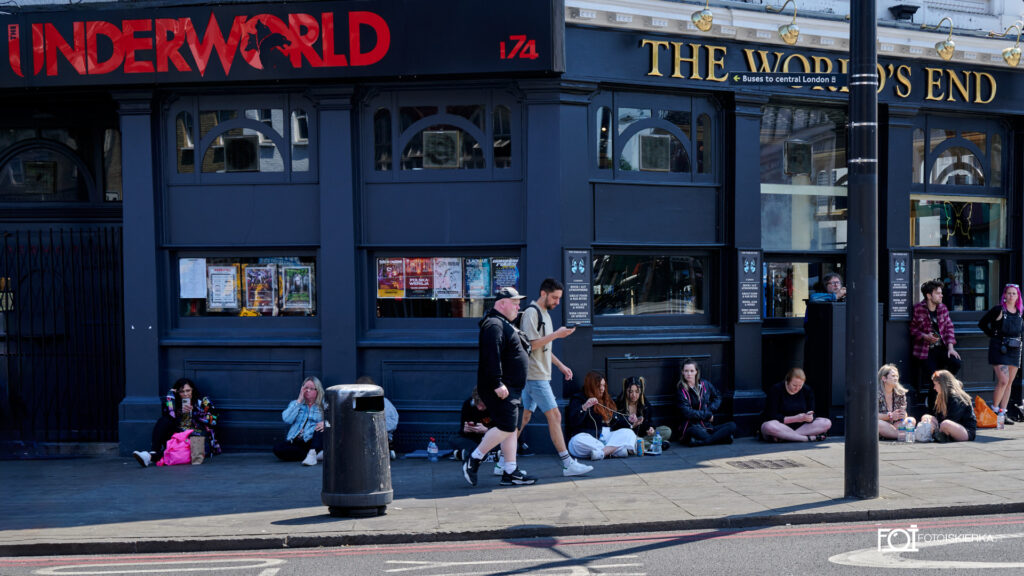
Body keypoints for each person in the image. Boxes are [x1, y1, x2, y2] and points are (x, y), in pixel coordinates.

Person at [517, 278, 592, 477]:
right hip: (535, 376)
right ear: (543, 293)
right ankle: (568, 463)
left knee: (523, 418)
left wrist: (561, 366)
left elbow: (543, 347)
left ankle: (501, 461)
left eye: (559, 298)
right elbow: (531, 345)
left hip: (537, 375)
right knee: (555, 416)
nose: (557, 302)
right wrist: (557, 335)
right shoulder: (532, 313)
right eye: (555, 298)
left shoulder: (545, 315)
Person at [461, 286, 536, 487]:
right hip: (501, 387)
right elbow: (490, 356)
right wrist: (497, 383)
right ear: (502, 304)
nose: (518, 307)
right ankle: (474, 459)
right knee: (506, 426)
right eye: (515, 303)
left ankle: (510, 471)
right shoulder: (493, 324)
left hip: (511, 387)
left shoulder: (502, 323)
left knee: (511, 428)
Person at [133, 377, 220, 467]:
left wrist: (195, 412)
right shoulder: (175, 404)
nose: (185, 394)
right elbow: (169, 414)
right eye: (182, 392)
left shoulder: (202, 402)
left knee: (181, 449)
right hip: (179, 436)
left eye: (188, 390)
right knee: (164, 420)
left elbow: (214, 420)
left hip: (196, 438)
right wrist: (172, 396)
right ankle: (154, 451)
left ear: (193, 390)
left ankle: (149, 457)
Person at [910, 279, 962, 410]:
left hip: (942, 348)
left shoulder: (942, 308)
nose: (941, 295)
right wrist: (925, 336)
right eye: (938, 293)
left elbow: (949, 328)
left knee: (956, 363)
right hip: (925, 350)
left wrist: (951, 348)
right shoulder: (918, 308)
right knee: (935, 378)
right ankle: (934, 407)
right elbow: (913, 329)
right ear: (929, 295)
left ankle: (943, 392)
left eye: (941, 293)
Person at [566, 370, 637, 460]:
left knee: (629, 433)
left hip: (607, 436)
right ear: (591, 386)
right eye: (598, 386)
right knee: (576, 441)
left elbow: (616, 421)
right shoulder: (579, 398)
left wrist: (629, 419)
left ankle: (602, 453)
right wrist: (584, 407)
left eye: (603, 385)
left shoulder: (606, 399)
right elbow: (573, 422)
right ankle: (613, 451)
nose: (602, 389)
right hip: (590, 438)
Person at [978, 284, 1023, 424]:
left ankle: (1003, 414)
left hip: (1015, 349)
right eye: (1009, 293)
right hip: (999, 348)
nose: (1011, 296)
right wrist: (994, 335)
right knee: (1003, 380)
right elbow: (982, 323)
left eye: (1014, 293)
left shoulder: (1020, 311)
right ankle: (994, 410)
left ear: (1018, 296)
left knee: (1009, 383)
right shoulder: (998, 310)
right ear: (1004, 295)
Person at [760, 368, 831, 442]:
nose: (797, 388)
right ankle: (806, 438)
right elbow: (771, 415)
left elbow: (812, 412)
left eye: (800, 385)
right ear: (787, 381)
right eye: (794, 385)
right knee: (768, 426)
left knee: (826, 422)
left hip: (802, 427)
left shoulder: (807, 390)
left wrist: (810, 417)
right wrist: (796, 418)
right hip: (781, 425)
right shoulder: (776, 389)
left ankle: (784, 437)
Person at [677, 359, 736, 446]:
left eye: (692, 371)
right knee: (693, 431)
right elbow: (687, 412)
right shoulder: (681, 390)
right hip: (692, 426)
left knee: (732, 425)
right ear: (682, 372)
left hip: (707, 426)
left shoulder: (705, 384)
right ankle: (721, 439)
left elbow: (718, 397)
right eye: (686, 371)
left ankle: (703, 442)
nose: (689, 374)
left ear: (696, 372)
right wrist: (707, 415)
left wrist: (710, 409)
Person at [273, 376, 325, 466]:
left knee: (321, 428)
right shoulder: (295, 403)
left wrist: (325, 423)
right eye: (305, 388)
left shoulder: (324, 404)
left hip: (313, 440)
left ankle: (312, 453)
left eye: (311, 388)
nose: (307, 390)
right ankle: (315, 455)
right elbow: (286, 419)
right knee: (278, 449)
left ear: (318, 390)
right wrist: (299, 400)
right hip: (297, 441)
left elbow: (335, 418)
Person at [615, 375, 672, 451]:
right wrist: (632, 425)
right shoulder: (619, 404)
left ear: (641, 391)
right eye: (630, 391)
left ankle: (646, 444)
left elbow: (650, 421)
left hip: (643, 435)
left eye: (637, 392)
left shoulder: (644, 404)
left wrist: (651, 428)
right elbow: (616, 425)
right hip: (629, 436)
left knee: (667, 431)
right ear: (625, 391)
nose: (634, 395)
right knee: (631, 440)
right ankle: (653, 446)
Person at [920, 370, 976, 442]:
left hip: (966, 431)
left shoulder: (957, 398)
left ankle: (935, 434)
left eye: (935, 384)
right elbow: (938, 416)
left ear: (942, 384)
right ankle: (935, 435)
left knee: (945, 424)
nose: (934, 388)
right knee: (926, 417)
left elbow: (952, 419)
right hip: (945, 425)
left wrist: (935, 427)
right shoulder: (941, 396)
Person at [450, 387, 497, 462]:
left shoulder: (496, 406)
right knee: (453, 439)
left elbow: (501, 428)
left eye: (482, 405)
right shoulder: (467, 404)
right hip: (473, 438)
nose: (479, 408)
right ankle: (489, 455)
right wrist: (465, 429)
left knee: (508, 441)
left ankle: (466, 454)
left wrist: (486, 430)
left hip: (490, 438)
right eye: (477, 404)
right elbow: (462, 428)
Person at [877, 364, 914, 440]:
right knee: (877, 423)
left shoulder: (900, 393)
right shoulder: (875, 393)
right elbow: (872, 416)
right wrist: (890, 416)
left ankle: (892, 434)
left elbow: (904, 414)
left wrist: (903, 415)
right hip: (882, 424)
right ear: (884, 378)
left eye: (897, 376)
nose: (896, 378)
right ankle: (903, 435)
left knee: (911, 420)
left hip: (895, 425)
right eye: (893, 376)